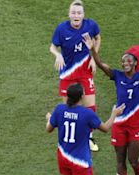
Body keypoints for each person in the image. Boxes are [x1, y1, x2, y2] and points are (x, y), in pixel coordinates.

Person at [46, 83, 125, 175]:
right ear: (81, 96)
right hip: (80, 161)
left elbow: (49, 129)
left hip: (63, 157)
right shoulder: (87, 113)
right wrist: (114, 114)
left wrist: (49, 118)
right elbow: (106, 128)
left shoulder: (59, 109)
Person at [84, 35, 139, 175]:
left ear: (135, 63)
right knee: (120, 159)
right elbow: (100, 64)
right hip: (120, 124)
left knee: (133, 160)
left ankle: (138, 174)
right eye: (123, 61)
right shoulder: (117, 76)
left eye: (129, 60)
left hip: (136, 125)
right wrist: (92, 49)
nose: (125, 63)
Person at [49, 0, 101, 152]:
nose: (76, 15)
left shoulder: (90, 25)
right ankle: (68, 138)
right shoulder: (61, 29)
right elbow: (52, 46)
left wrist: (93, 57)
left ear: (83, 15)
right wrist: (57, 54)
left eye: (79, 13)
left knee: (90, 107)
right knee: (69, 108)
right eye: (73, 13)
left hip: (85, 72)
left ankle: (89, 137)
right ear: (69, 14)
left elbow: (98, 38)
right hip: (67, 74)